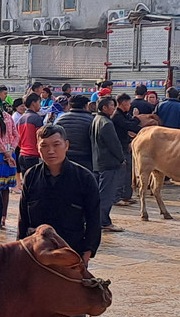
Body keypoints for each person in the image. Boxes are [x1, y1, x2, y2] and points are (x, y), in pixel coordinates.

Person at [18, 124, 101, 317]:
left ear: (66, 145)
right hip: (37, 259)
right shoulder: (31, 176)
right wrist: (21, 252)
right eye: (44, 146)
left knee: (73, 316)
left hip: (71, 259)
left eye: (55, 145)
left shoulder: (83, 178)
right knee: (37, 315)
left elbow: (94, 219)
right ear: (37, 148)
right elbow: (23, 220)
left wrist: (86, 254)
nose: (50, 151)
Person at [90, 96, 125, 232]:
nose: (114, 108)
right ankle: (104, 221)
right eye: (112, 106)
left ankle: (98, 220)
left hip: (98, 162)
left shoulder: (96, 120)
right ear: (104, 108)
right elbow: (114, 145)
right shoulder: (106, 123)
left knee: (100, 194)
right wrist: (121, 158)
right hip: (109, 163)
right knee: (106, 195)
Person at [111, 93, 141, 205]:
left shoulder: (124, 114)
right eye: (128, 103)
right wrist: (137, 119)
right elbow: (129, 126)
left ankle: (126, 196)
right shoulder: (117, 116)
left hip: (126, 146)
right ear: (123, 103)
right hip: (120, 148)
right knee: (121, 173)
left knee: (128, 172)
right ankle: (117, 197)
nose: (130, 105)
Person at [55, 94, 95, 172]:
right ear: (86, 106)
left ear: (70, 105)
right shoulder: (91, 120)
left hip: (65, 156)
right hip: (85, 157)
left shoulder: (60, 119)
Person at [15, 93, 46, 172]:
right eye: (39, 102)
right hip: (34, 156)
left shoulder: (20, 119)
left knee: (26, 181)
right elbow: (40, 138)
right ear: (33, 103)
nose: (40, 105)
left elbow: (17, 139)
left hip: (22, 154)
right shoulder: (37, 119)